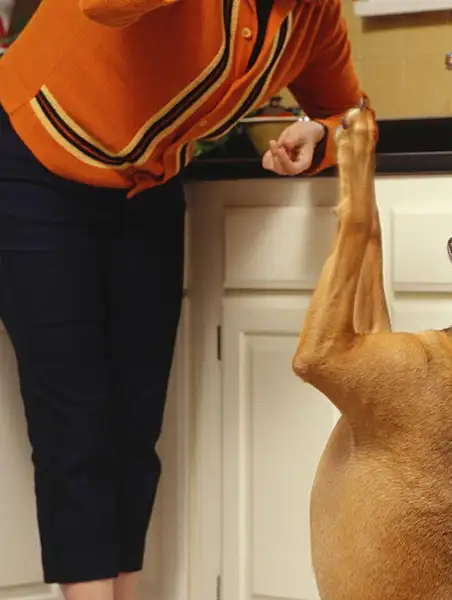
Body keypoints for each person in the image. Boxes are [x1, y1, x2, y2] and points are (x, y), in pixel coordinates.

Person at [0, 1, 367, 599]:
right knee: (74, 426)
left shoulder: (314, 16)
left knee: (135, 428)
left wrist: (320, 134)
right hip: (33, 164)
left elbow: (353, 114)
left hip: (147, 189)